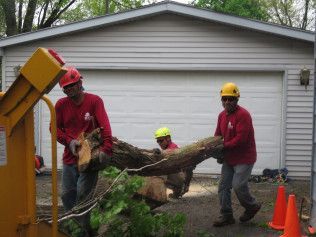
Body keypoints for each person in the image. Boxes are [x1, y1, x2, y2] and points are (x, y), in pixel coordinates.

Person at [55, 66, 112, 236]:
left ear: (80, 82)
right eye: (66, 87)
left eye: (72, 85)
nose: (70, 89)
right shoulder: (61, 105)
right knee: (67, 195)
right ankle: (78, 228)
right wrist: (69, 141)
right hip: (70, 157)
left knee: (82, 196)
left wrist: (106, 150)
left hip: (90, 157)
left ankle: (82, 233)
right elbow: (55, 128)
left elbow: (105, 126)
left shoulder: (94, 101)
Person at [213, 82, 261, 227]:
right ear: (221, 100)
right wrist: (215, 148)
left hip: (244, 157)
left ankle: (252, 206)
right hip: (229, 158)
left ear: (237, 99)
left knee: (238, 185)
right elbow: (217, 135)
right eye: (224, 98)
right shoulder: (221, 115)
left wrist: (223, 147)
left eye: (231, 98)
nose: (227, 101)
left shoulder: (243, 115)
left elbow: (240, 139)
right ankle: (227, 215)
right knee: (223, 186)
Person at [154, 127, 195, 198]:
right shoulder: (173, 146)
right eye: (158, 141)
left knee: (158, 172)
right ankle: (177, 192)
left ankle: (160, 196)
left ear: (168, 138)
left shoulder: (172, 149)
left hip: (180, 180)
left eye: (161, 140)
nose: (159, 143)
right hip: (181, 180)